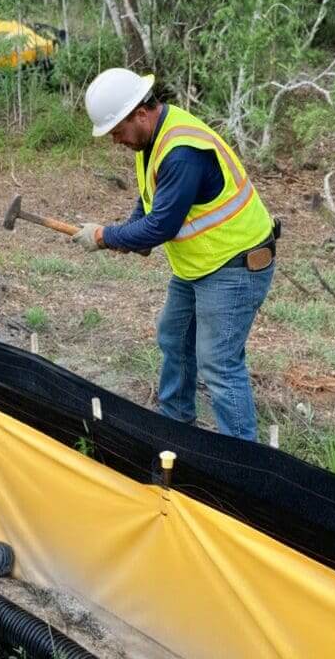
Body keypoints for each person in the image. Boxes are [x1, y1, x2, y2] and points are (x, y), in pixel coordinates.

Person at [71, 68, 277, 441]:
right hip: (201, 264)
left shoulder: (182, 152)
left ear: (140, 112)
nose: (115, 140)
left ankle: (245, 464)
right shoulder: (151, 139)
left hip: (235, 264)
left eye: (116, 131)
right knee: (175, 337)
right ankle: (175, 429)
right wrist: (132, 234)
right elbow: (152, 196)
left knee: (219, 362)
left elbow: (161, 225)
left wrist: (106, 236)